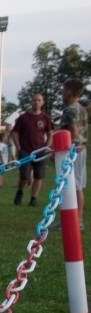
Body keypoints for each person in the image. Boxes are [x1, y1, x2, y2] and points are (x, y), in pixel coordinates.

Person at [12, 93, 54, 206]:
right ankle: (20, 191)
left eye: (39, 100)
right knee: (24, 176)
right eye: (34, 100)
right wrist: (18, 147)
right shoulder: (23, 117)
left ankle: (33, 198)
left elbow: (50, 133)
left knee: (38, 175)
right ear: (31, 102)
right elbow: (15, 132)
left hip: (40, 151)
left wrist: (47, 147)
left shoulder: (45, 118)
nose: (36, 102)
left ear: (42, 102)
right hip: (25, 150)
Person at [60, 78, 88, 230]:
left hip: (73, 151)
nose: (62, 93)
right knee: (73, 185)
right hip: (82, 149)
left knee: (74, 185)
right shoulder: (82, 109)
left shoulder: (70, 110)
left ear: (70, 92)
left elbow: (73, 131)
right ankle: (71, 219)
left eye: (64, 90)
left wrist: (69, 147)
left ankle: (77, 221)